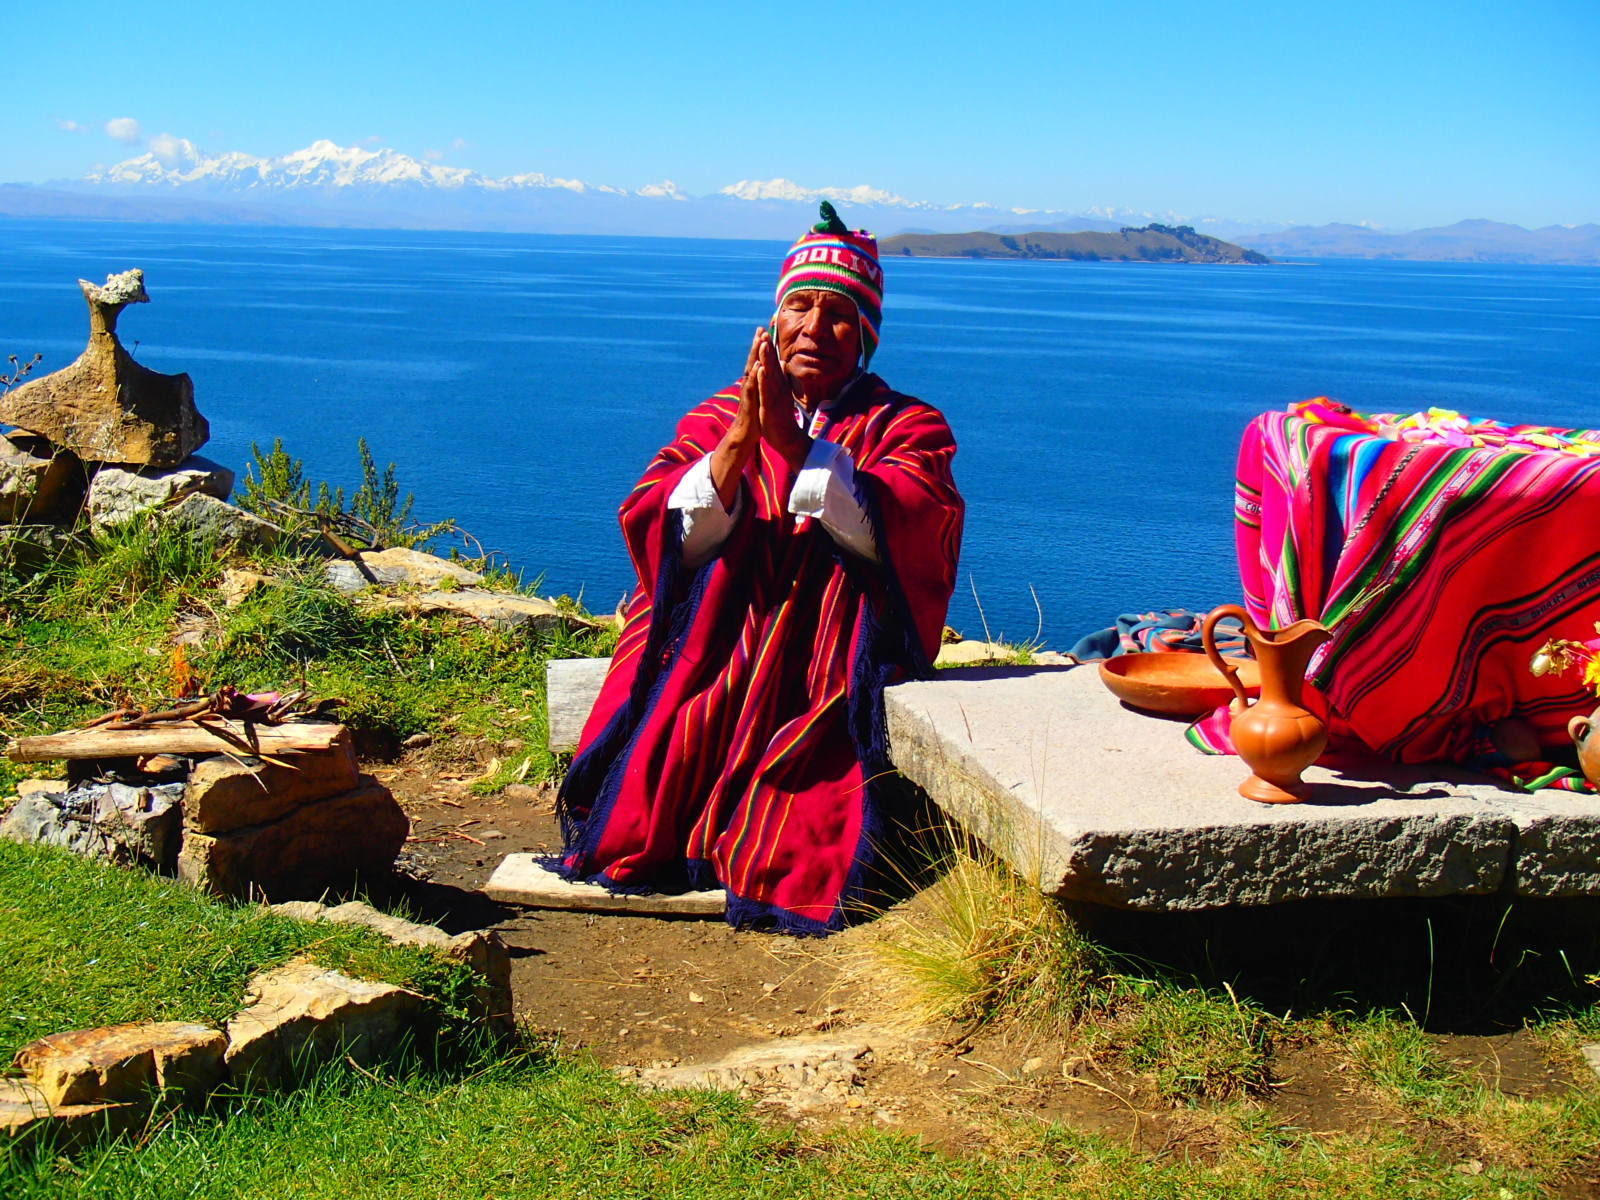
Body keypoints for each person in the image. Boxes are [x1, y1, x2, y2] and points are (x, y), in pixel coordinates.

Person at [554, 203, 964, 934]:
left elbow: (912, 521)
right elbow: (658, 523)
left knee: (811, 760)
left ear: (865, 336)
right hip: (726, 626)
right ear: (773, 322)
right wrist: (739, 447)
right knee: (672, 655)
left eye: (839, 314)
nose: (813, 327)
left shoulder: (910, 424)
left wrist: (796, 447)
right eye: (799, 306)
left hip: (826, 641)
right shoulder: (719, 414)